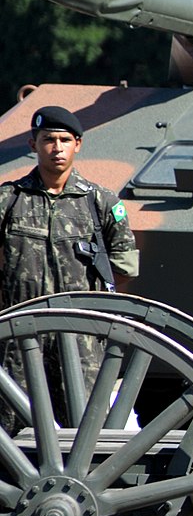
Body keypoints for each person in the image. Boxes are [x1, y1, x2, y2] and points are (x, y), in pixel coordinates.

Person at [0, 106, 139, 430]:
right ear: (34, 145)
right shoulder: (9, 200)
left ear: (78, 144)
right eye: (48, 139)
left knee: (85, 429)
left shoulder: (101, 202)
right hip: (21, 335)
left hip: (80, 338)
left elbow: (124, 269)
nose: (57, 148)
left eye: (64, 140)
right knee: (13, 428)